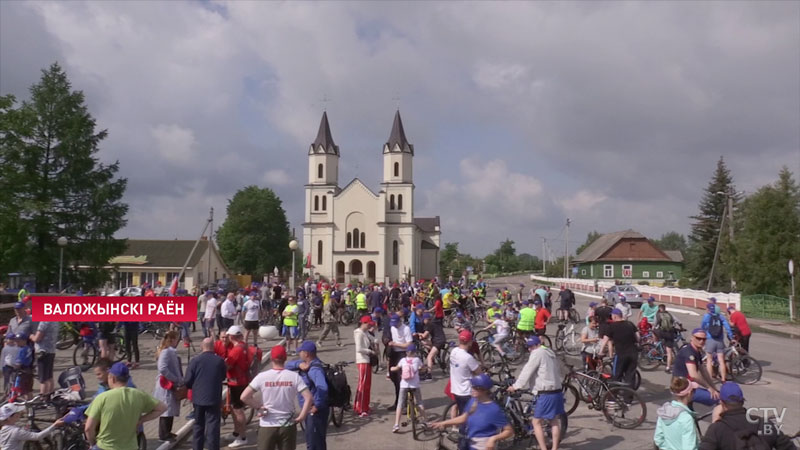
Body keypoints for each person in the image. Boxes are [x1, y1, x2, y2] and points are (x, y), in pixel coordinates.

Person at [240, 345, 312, 450]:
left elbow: (244, 397)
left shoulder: (262, 377)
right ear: (285, 358)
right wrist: (302, 416)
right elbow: (309, 398)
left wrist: (259, 407)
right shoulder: (294, 376)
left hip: (267, 425)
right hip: (288, 424)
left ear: (271, 359)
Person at [85, 362, 167, 450]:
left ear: (112, 378)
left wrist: (92, 443)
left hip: (105, 447)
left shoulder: (102, 398)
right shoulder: (139, 395)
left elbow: (88, 428)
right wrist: (141, 420)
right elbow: (162, 408)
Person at [699, 382, 796, 450]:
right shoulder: (765, 424)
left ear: (722, 403)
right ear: (742, 401)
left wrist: (715, 421)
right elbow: (789, 447)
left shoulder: (717, 429)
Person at [509, 336, 564, 450]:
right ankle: (554, 448)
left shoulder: (537, 353)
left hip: (545, 392)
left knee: (536, 422)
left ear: (535, 345)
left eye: (530, 347)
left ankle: (543, 448)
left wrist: (516, 386)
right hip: (557, 391)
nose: (529, 349)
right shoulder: (550, 353)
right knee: (554, 420)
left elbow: (527, 370)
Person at [432, 374, 512, 450]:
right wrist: (444, 423)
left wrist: (493, 439)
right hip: (471, 442)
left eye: (475, 387)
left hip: (483, 446)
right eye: (472, 386)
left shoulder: (493, 409)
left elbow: (509, 431)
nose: (472, 389)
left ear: (484, 390)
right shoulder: (473, 401)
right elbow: (464, 418)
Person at [184, 338, 227, 450]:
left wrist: (192, 386)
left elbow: (188, 380)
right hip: (214, 397)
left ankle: (197, 447)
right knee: (213, 425)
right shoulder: (219, 361)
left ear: (201, 346)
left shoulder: (195, 361)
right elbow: (223, 376)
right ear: (213, 347)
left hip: (198, 398)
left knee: (198, 424)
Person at [285, 341, 329, 450]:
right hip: (310, 410)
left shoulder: (314, 369)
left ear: (306, 354)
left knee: (314, 444)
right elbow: (287, 365)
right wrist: (298, 364)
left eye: (301, 352)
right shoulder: (305, 364)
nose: (299, 353)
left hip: (315, 412)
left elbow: (323, 387)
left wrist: (316, 406)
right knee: (315, 441)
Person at [672, 329, 720, 407]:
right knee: (718, 398)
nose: (701, 341)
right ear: (692, 338)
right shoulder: (689, 352)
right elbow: (693, 375)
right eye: (698, 338)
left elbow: (703, 371)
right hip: (681, 387)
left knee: (690, 413)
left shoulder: (696, 351)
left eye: (704, 339)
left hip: (688, 385)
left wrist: (714, 388)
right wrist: (708, 388)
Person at [153, 330, 183, 442]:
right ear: (173, 339)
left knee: (170, 408)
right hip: (166, 384)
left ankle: (168, 432)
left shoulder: (169, 351)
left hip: (169, 384)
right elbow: (162, 368)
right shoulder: (166, 352)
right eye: (177, 339)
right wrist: (174, 378)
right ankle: (163, 434)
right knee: (167, 409)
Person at [223, 326, 251, 448]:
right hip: (242, 380)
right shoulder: (244, 346)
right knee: (235, 409)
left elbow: (228, 365)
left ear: (231, 336)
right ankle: (236, 432)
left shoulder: (236, 350)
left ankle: (242, 437)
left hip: (237, 382)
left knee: (238, 410)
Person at [653, 376, 699, 450]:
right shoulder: (686, 419)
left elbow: (658, 439)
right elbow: (689, 447)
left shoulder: (664, 411)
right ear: (689, 393)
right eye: (694, 391)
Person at [598, 308, 639, 388]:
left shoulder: (611, 326)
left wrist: (601, 352)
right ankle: (628, 398)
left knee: (617, 374)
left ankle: (613, 396)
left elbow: (605, 340)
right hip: (633, 353)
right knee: (630, 375)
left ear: (615, 316)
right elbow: (638, 337)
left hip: (621, 354)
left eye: (612, 316)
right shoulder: (630, 324)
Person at [390, 343, 426, 432]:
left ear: (407, 352)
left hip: (404, 385)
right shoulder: (417, 360)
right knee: (419, 402)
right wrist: (422, 369)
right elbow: (422, 369)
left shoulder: (403, 360)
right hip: (415, 385)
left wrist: (392, 368)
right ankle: (424, 421)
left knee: (400, 404)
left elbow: (396, 368)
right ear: (415, 352)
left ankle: (396, 425)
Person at [0, 403, 66, 450]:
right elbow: (37, 436)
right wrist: (54, 425)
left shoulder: (3, 428)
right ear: (10, 417)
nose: (19, 414)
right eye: (17, 413)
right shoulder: (15, 431)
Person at [449, 330, 482, 417]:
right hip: (466, 392)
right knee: (469, 416)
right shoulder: (468, 358)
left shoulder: (453, 352)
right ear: (470, 342)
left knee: (462, 414)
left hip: (455, 390)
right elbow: (479, 372)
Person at [701, 304, 734, 383]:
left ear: (708, 309)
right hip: (719, 340)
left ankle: (710, 379)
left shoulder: (707, 316)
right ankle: (723, 379)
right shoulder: (721, 317)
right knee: (721, 360)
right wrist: (731, 337)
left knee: (709, 360)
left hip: (710, 340)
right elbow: (727, 327)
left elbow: (702, 327)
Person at [388, 313, 413, 409]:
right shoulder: (392, 328)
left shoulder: (406, 329)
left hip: (402, 354)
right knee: (394, 378)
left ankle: (405, 403)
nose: (394, 325)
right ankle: (398, 401)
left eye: (395, 323)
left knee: (402, 379)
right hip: (394, 354)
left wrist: (396, 344)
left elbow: (409, 344)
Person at [353, 316, 376, 417]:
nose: (369, 325)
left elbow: (373, 339)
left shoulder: (365, 332)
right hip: (362, 360)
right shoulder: (359, 333)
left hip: (367, 360)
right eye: (368, 324)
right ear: (364, 323)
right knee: (362, 384)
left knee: (367, 385)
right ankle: (360, 408)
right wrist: (370, 351)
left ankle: (365, 405)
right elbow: (359, 348)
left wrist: (373, 332)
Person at [30, 319, 58, 395]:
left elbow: (37, 338)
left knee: (43, 378)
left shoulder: (44, 322)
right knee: (49, 376)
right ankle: (50, 393)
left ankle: (43, 396)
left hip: (42, 352)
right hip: (51, 351)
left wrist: (31, 336)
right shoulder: (55, 321)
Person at [418, 313, 446, 380]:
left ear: (426, 319)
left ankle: (429, 374)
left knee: (429, 357)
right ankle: (436, 354)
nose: (423, 321)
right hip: (440, 340)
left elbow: (424, 335)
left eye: (424, 320)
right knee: (424, 342)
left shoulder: (429, 324)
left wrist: (418, 334)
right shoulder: (435, 323)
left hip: (438, 342)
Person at [655, 304, 678, 373]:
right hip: (669, 334)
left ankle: (656, 346)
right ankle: (668, 367)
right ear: (665, 308)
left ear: (659, 308)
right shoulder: (669, 314)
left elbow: (655, 324)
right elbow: (677, 321)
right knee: (669, 352)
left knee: (659, 339)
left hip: (661, 333)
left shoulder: (658, 315)